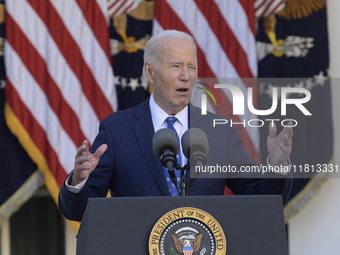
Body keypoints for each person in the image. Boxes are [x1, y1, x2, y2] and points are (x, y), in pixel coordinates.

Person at [58, 30, 293, 222]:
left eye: (192, 66)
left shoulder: (219, 130)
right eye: (176, 66)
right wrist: (78, 181)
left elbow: (261, 199)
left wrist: (277, 166)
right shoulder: (117, 130)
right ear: (150, 71)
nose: (186, 76)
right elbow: (79, 211)